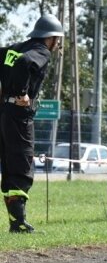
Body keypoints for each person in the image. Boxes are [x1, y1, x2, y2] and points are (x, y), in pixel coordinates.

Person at [0, 14, 63, 233]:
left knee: (9, 165)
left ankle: (15, 222)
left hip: (4, 112)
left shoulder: (15, 47)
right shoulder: (40, 51)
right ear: (51, 38)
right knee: (22, 163)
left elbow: (5, 58)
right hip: (19, 114)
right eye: (58, 40)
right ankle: (18, 224)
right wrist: (21, 92)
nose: (57, 45)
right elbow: (26, 63)